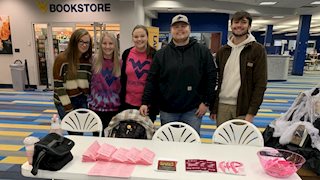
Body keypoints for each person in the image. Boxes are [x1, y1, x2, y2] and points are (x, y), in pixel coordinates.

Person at [139, 14, 217, 134]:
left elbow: (211, 78)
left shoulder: (202, 51)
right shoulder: (161, 54)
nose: (180, 29)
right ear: (171, 30)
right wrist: (145, 102)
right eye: (176, 27)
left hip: (193, 110)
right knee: (170, 144)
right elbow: (151, 80)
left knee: (191, 145)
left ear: (189, 29)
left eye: (183, 26)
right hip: (168, 111)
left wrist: (206, 102)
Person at [210, 11, 267, 126]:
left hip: (243, 107)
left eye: (243, 22)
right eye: (236, 22)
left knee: (240, 142)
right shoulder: (223, 51)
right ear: (231, 26)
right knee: (221, 141)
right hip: (222, 106)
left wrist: (252, 112)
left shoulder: (257, 50)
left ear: (249, 26)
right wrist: (214, 107)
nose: (239, 25)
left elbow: (260, 84)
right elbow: (217, 80)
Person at [53, 28, 92, 134]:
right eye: (81, 41)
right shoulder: (61, 59)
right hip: (64, 100)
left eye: (87, 42)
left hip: (81, 99)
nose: (84, 45)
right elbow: (58, 86)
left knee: (81, 130)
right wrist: (68, 108)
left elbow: (88, 82)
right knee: (74, 132)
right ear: (74, 41)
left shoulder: (88, 60)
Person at [119, 25, 158, 121]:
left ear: (147, 37)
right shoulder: (127, 53)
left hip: (147, 105)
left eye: (142, 36)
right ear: (132, 38)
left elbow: (156, 80)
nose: (139, 39)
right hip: (128, 102)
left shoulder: (155, 54)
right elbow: (123, 78)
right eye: (136, 37)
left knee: (146, 134)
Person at [87, 32, 121, 136]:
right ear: (100, 44)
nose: (107, 46)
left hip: (114, 109)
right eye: (104, 43)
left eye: (111, 43)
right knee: (97, 140)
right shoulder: (93, 60)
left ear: (115, 45)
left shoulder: (120, 63)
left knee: (112, 141)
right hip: (96, 109)